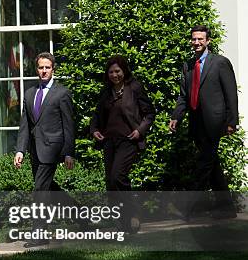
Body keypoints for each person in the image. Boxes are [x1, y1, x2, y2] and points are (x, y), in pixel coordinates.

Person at [169, 25, 239, 218]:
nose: (197, 42)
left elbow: (230, 94)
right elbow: (184, 95)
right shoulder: (188, 65)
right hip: (196, 123)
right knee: (212, 164)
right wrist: (176, 116)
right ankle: (228, 209)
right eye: (194, 39)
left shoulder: (220, 63)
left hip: (215, 123)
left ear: (208, 41)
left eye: (200, 39)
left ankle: (188, 209)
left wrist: (232, 121)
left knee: (203, 165)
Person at [90, 55, 155, 233]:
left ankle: (132, 214)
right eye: (111, 72)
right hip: (109, 142)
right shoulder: (106, 92)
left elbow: (149, 113)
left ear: (124, 71)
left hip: (129, 140)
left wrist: (140, 130)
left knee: (118, 176)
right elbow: (96, 116)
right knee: (111, 183)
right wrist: (94, 129)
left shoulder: (134, 88)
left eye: (117, 71)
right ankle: (121, 221)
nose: (114, 75)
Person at [14, 52, 75, 190]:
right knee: (48, 187)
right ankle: (76, 209)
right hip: (34, 151)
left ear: (53, 69)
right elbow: (25, 125)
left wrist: (68, 153)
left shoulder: (62, 93)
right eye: (41, 68)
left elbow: (68, 125)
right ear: (37, 69)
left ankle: (37, 212)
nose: (44, 71)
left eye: (47, 67)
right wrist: (20, 151)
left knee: (40, 189)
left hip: (52, 149)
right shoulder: (29, 93)